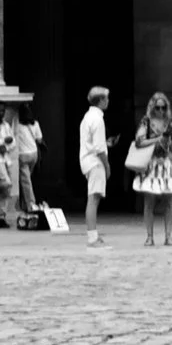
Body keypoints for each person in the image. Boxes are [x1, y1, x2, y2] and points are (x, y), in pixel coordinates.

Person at [128, 92, 172, 248]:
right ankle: (149, 236)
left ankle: (168, 236)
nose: (160, 110)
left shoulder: (170, 123)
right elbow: (139, 141)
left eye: (163, 107)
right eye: (157, 107)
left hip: (166, 163)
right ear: (152, 108)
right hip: (151, 162)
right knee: (149, 201)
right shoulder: (146, 122)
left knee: (169, 201)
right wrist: (157, 140)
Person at [77, 82, 111, 248]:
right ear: (101, 100)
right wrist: (107, 165)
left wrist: (106, 144)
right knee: (93, 199)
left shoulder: (87, 117)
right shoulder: (98, 119)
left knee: (93, 198)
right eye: (106, 98)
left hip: (87, 160)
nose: (108, 101)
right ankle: (92, 237)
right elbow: (98, 148)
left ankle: (94, 235)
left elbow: (92, 142)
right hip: (95, 162)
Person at [10, 96, 43, 230]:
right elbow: (39, 139)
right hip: (34, 154)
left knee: (25, 182)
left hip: (23, 155)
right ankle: (25, 204)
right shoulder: (35, 123)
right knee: (27, 181)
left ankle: (30, 204)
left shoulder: (17, 122)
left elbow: (12, 135)